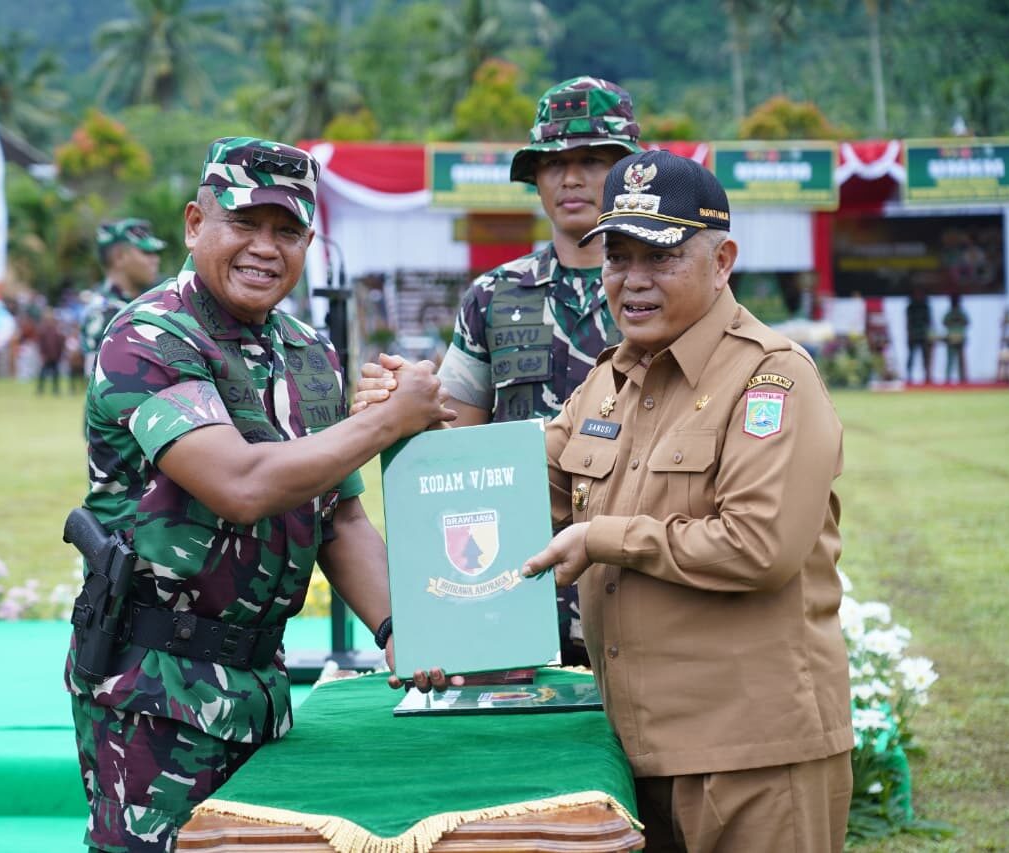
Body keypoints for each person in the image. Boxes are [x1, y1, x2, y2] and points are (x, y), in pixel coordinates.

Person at [66, 136, 459, 853]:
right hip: (155, 694)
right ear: (194, 224)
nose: (264, 248)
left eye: (286, 231)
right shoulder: (150, 335)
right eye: (243, 223)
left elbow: (337, 516)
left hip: (261, 688)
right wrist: (386, 421)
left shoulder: (309, 350)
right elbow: (240, 486)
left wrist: (400, 626)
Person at [516, 150, 853, 851]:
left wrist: (604, 537)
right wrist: (409, 423)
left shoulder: (772, 379)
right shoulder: (608, 382)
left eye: (660, 257)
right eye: (617, 257)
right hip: (636, 756)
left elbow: (758, 546)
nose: (632, 281)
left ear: (722, 259)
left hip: (753, 757)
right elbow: (517, 493)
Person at [358, 76, 642, 667]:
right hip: (520, 585)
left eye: (592, 161)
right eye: (553, 162)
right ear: (534, 178)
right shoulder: (493, 296)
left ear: (625, 173)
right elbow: (455, 445)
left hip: (638, 573)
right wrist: (396, 402)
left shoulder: (660, 289)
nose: (570, 178)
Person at [80, 218, 167, 376]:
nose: (156, 259)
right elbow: (98, 385)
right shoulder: (105, 312)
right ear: (119, 257)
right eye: (147, 252)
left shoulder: (146, 302)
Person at [905, 288, 932, 383]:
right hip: (913, 335)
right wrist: (909, 334)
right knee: (911, 356)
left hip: (922, 335)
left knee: (925, 357)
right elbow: (908, 323)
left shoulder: (925, 307)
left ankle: (927, 376)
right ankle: (908, 376)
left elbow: (929, 322)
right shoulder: (910, 307)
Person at [943, 293, 969, 383]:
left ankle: (962, 379)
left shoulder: (960, 313)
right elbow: (945, 323)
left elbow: (966, 322)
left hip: (959, 338)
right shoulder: (950, 313)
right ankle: (948, 379)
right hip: (951, 338)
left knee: (960, 360)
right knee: (951, 359)